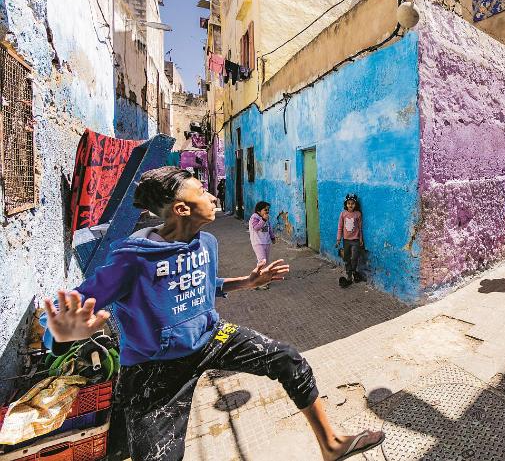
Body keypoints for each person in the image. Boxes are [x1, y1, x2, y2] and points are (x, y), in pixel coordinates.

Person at [41, 167, 384, 461]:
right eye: (203, 192)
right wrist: (62, 335)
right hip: (154, 367)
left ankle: (331, 444)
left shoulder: (206, 243)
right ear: (181, 209)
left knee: (288, 359)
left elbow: (205, 282)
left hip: (211, 337)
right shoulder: (132, 258)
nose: (214, 197)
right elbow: (60, 311)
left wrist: (246, 282)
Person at [334, 193, 363, 288]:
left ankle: (354, 271)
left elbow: (360, 228)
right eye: (349, 203)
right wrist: (338, 239)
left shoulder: (358, 214)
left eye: (352, 203)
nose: (350, 205)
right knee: (346, 259)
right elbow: (340, 227)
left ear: (355, 204)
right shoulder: (343, 214)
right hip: (346, 241)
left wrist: (361, 239)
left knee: (354, 257)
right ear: (346, 204)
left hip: (355, 240)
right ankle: (349, 276)